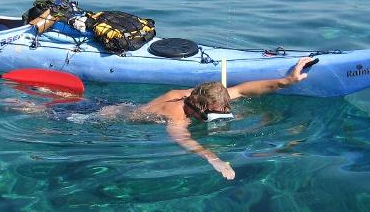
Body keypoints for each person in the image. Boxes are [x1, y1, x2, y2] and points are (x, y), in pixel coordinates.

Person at [24, 56, 316, 180]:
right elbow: (181, 138)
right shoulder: (178, 114)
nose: (221, 116)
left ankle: (52, 93)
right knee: (41, 112)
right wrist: (213, 157)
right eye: (215, 115)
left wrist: (285, 82)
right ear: (198, 109)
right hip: (102, 118)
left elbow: (242, 89)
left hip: (117, 104)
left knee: (79, 102)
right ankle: (9, 100)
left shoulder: (202, 94)